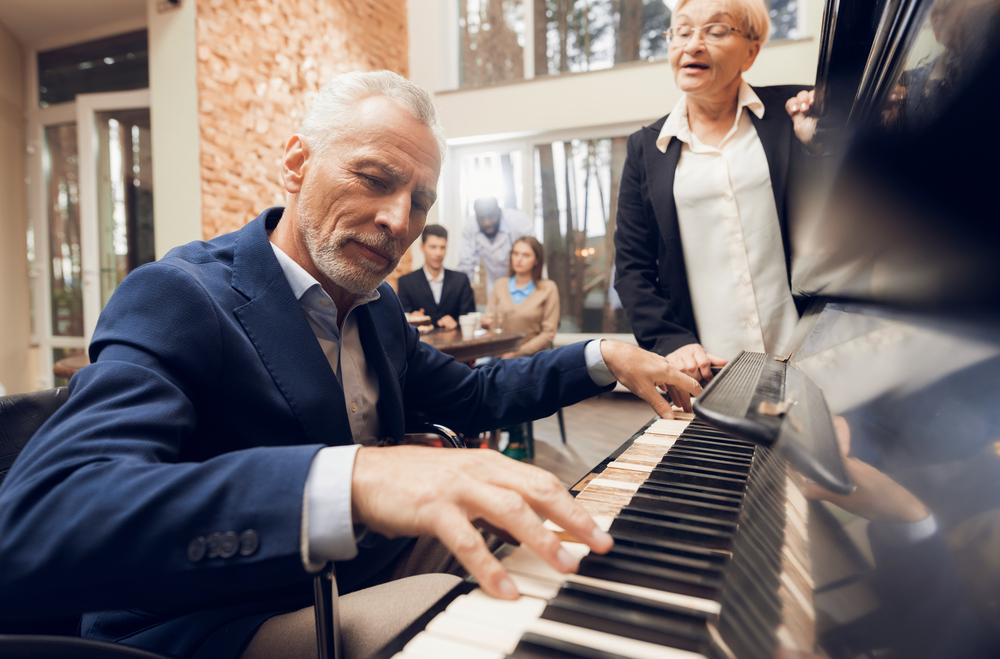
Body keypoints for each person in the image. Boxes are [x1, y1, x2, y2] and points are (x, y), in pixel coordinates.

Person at [0, 71, 701, 659]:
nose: (399, 220)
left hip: (358, 566)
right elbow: (37, 516)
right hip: (217, 619)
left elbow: (474, 392)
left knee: (554, 529)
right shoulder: (181, 294)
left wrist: (602, 355)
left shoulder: (376, 308)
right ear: (297, 163)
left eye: (419, 201)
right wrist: (352, 476)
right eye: (373, 179)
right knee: (473, 615)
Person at [613, 0, 818, 385]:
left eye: (716, 30)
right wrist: (671, 340)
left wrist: (822, 145)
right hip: (712, 371)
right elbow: (633, 269)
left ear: (750, 51)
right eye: (682, 31)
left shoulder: (797, 113)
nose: (692, 44)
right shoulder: (646, 148)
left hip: (811, 358)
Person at [484, 236, 559, 360]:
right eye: (515, 253)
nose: (519, 259)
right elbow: (492, 324)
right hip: (498, 356)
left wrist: (516, 353)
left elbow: (548, 334)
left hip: (532, 358)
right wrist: (484, 324)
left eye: (526, 255)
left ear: (536, 260)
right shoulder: (500, 284)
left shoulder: (548, 288)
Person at [396, 224, 474, 330]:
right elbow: (400, 321)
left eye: (442, 247)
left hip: (456, 342)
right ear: (422, 247)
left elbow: (471, 316)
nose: (438, 253)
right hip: (421, 344)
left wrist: (456, 322)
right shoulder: (406, 282)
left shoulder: (461, 280)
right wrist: (412, 317)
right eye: (433, 247)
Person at [457, 196, 533, 298]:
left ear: (499, 211)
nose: (486, 222)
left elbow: (532, 255)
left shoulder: (518, 221)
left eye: (491, 216)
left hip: (526, 282)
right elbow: (466, 265)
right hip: (495, 284)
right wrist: (457, 295)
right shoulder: (470, 226)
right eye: (481, 218)